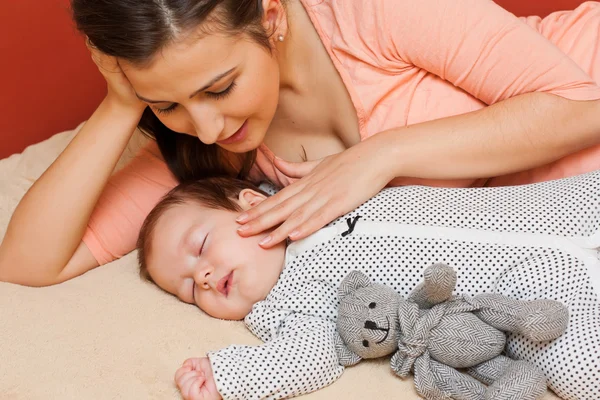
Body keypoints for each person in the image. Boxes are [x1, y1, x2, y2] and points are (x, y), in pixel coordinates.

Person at [1, 0, 600, 287]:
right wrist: (122, 102)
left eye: (221, 87)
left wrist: (380, 157)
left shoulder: (369, 13)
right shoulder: (212, 150)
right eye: (169, 104)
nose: (205, 125)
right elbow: (26, 264)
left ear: (271, 15)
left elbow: (579, 107)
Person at [137, 172, 600, 400]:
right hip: (519, 300)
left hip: (542, 212)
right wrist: (228, 376)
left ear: (253, 204)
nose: (201, 277)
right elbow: (309, 357)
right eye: (188, 291)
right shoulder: (289, 306)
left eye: (200, 245)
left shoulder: (319, 196)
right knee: (580, 368)